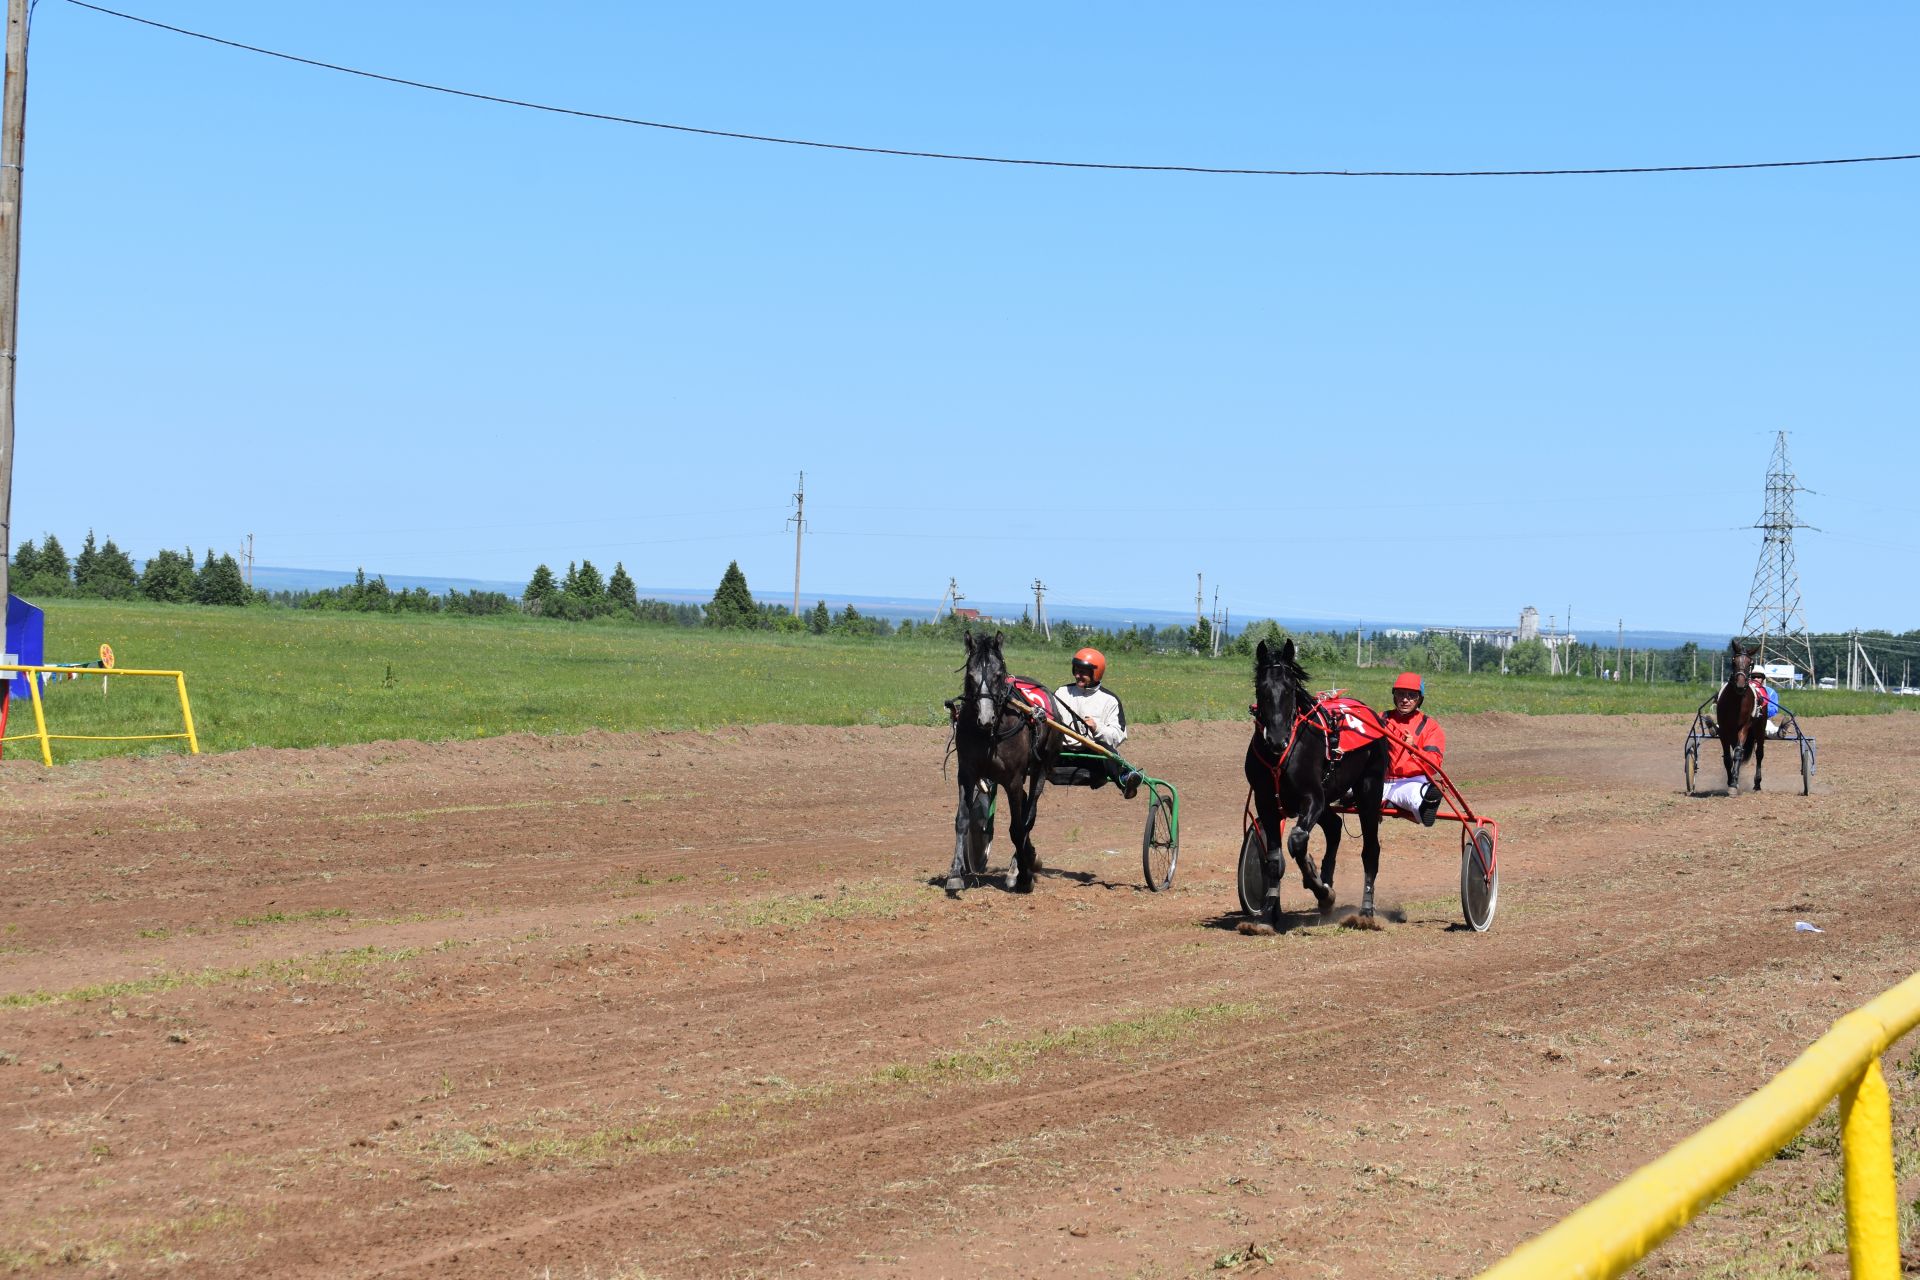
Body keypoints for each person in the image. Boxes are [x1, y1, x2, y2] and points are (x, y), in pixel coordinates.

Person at [1053, 647, 1143, 798]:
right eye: (1076, 670)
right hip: (1061, 752)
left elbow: (1117, 736)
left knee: (1103, 747)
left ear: (1096, 673)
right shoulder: (1061, 693)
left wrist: (1097, 728)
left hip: (1092, 758)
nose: (1077, 675)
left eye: (1083, 672)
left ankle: (1125, 780)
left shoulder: (1109, 700)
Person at [1382, 672, 1446, 826]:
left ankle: (1422, 802)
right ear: (1394, 696)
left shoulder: (1430, 726)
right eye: (1400, 694)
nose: (1405, 699)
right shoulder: (1380, 719)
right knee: (1349, 789)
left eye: (1411, 695)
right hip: (1380, 779)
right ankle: (1392, 802)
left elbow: (1434, 764)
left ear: (1420, 699)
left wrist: (1414, 748)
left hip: (1411, 782)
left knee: (1417, 797)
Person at [1752, 670, 1781, 736]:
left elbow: (1773, 709)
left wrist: (1760, 711)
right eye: (1753, 677)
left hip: (1762, 720)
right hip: (1745, 721)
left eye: (1759, 677)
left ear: (1763, 679)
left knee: (1766, 725)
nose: (1756, 679)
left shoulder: (1770, 692)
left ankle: (1779, 732)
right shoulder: (1742, 691)